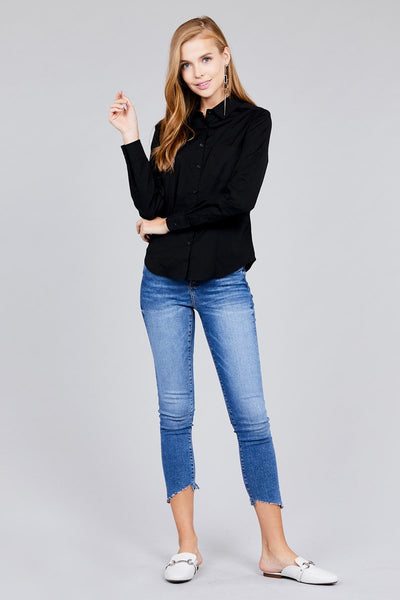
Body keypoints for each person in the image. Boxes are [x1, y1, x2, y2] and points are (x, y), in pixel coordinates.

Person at [109, 15, 338, 586]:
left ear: (227, 56)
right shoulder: (170, 127)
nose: (197, 73)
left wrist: (167, 225)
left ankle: (276, 552)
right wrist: (131, 138)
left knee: (250, 416)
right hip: (162, 285)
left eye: (205, 59)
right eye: (186, 65)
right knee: (174, 413)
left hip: (223, 282)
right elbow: (148, 203)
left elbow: (238, 201)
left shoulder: (254, 123)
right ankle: (186, 547)